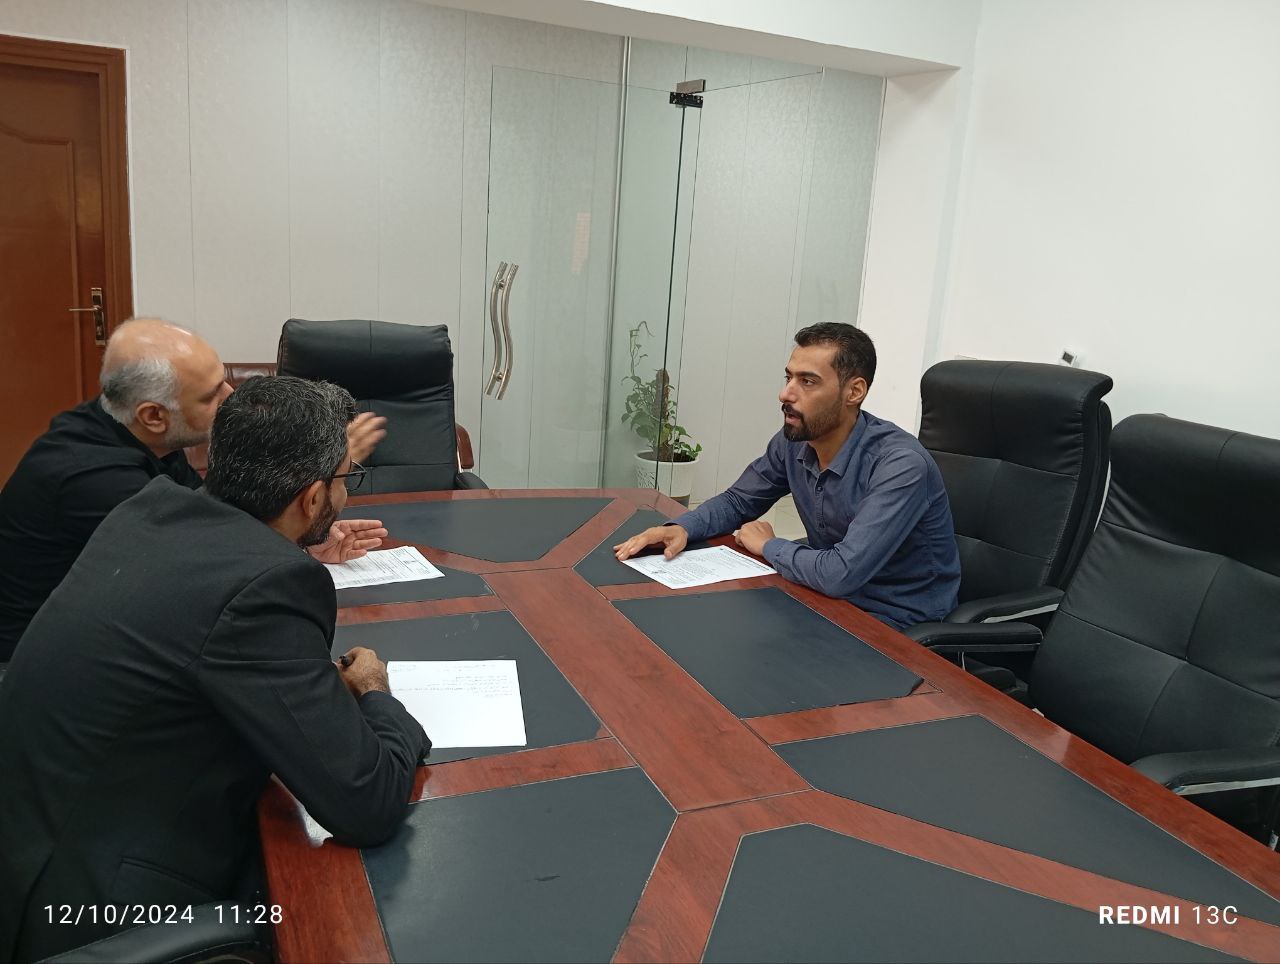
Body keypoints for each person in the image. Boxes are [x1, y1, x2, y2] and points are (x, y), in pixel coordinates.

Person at [0, 375, 429, 962]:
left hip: (35, 846)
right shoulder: (267, 588)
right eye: (344, 479)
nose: (344, 494)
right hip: (103, 911)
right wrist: (377, 694)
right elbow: (367, 804)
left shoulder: (149, 509)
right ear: (312, 498)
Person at [0, 318, 387, 661]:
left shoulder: (140, 432)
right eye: (210, 395)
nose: (230, 396)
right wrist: (320, 466)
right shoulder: (95, 480)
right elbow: (210, 564)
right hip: (37, 664)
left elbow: (216, 520)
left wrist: (304, 532)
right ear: (153, 415)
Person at [615, 322, 960, 629]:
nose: (785, 394)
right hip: (825, 600)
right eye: (788, 377)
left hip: (898, 625)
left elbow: (840, 574)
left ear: (854, 392)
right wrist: (681, 528)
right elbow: (738, 502)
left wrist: (769, 546)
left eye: (807, 381)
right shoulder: (796, 441)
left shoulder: (900, 465)